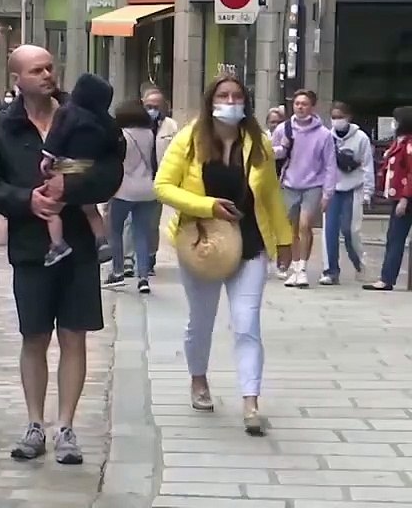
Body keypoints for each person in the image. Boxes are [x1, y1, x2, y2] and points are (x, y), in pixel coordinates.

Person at [0, 45, 123, 465]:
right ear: (16, 80)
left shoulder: (82, 115)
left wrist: (69, 186)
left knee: (74, 335)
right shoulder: (2, 126)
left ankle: (67, 426)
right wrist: (27, 201)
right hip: (30, 245)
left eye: (50, 67)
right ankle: (35, 423)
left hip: (78, 242)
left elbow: (109, 168)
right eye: (36, 70)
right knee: (34, 336)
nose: (46, 75)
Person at [154, 74, 293, 436]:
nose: (230, 102)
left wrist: (284, 239)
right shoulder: (189, 139)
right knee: (201, 321)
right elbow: (163, 187)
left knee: (247, 323)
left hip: (250, 243)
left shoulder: (258, 142)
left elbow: (271, 195)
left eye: (236, 96)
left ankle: (250, 400)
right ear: (210, 101)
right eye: (223, 96)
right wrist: (207, 206)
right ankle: (198, 379)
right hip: (202, 244)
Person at [39, 73, 116, 267]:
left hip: (67, 165)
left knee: (51, 206)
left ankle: (58, 245)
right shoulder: (104, 120)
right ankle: (101, 241)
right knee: (90, 208)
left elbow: (56, 136)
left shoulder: (66, 112)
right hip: (89, 166)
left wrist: (47, 157)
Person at [271, 89, 338, 287]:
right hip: (289, 184)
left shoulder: (324, 134)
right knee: (292, 230)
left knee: (305, 225)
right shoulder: (283, 129)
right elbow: (273, 153)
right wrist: (281, 148)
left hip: (313, 185)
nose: (300, 107)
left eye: (304, 104)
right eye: (297, 103)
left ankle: (302, 269)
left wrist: (328, 193)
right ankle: (295, 268)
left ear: (312, 107)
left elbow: (330, 164)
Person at [103, 100, 164, 294]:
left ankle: (118, 271)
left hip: (123, 189)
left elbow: (115, 162)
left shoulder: (121, 135)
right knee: (142, 234)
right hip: (147, 189)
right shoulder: (150, 134)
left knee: (115, 231)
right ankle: (143, 277)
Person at [124, 87, 180, 279]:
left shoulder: (171, 127)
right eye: (148, 106)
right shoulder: (133, 124)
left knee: (151, 223)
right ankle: (128, 259)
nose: (152, 110)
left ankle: (149, 258)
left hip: (158, 181)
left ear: (164, 106)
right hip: (133, 179)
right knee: (130, 221)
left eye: (156, 106)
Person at [322, 102, 374, 285]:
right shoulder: (327, 137)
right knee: (329, 232)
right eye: (334, 117)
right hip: (332, 190)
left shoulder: (361, 138)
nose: (337, 120)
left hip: (354, 189)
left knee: (350, 230)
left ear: (349, 117)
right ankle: (331, 271)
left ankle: (359, 263)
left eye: (340, 117)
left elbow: (368, 165)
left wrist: (368, 191)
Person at [365, 106, 412, 291]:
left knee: (396, 238)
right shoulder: (398, 143)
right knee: (393, 238)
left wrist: (405, 198)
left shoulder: (409, 145)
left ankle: (387, 279)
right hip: (398, 196)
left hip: (406, 198)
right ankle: (387, 278)